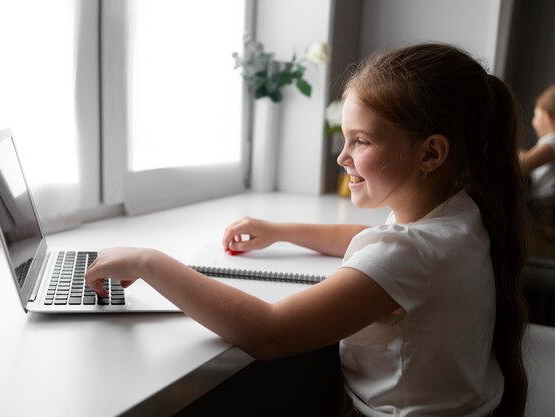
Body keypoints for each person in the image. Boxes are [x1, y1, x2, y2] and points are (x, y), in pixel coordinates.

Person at [85, 43, 528, 416]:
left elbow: (270, 331)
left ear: (431, 154)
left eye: (361, 141)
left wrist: (150, 262)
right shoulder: (459, 213)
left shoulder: (413, 255)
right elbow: (367, 241)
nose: (342, 157)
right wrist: (281, 230)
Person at [519, 85, 555, 252]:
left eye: (535, 114)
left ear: (546, 117)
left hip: (543, 205)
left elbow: (524, 164)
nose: (533, 120)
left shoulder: (551, 142)